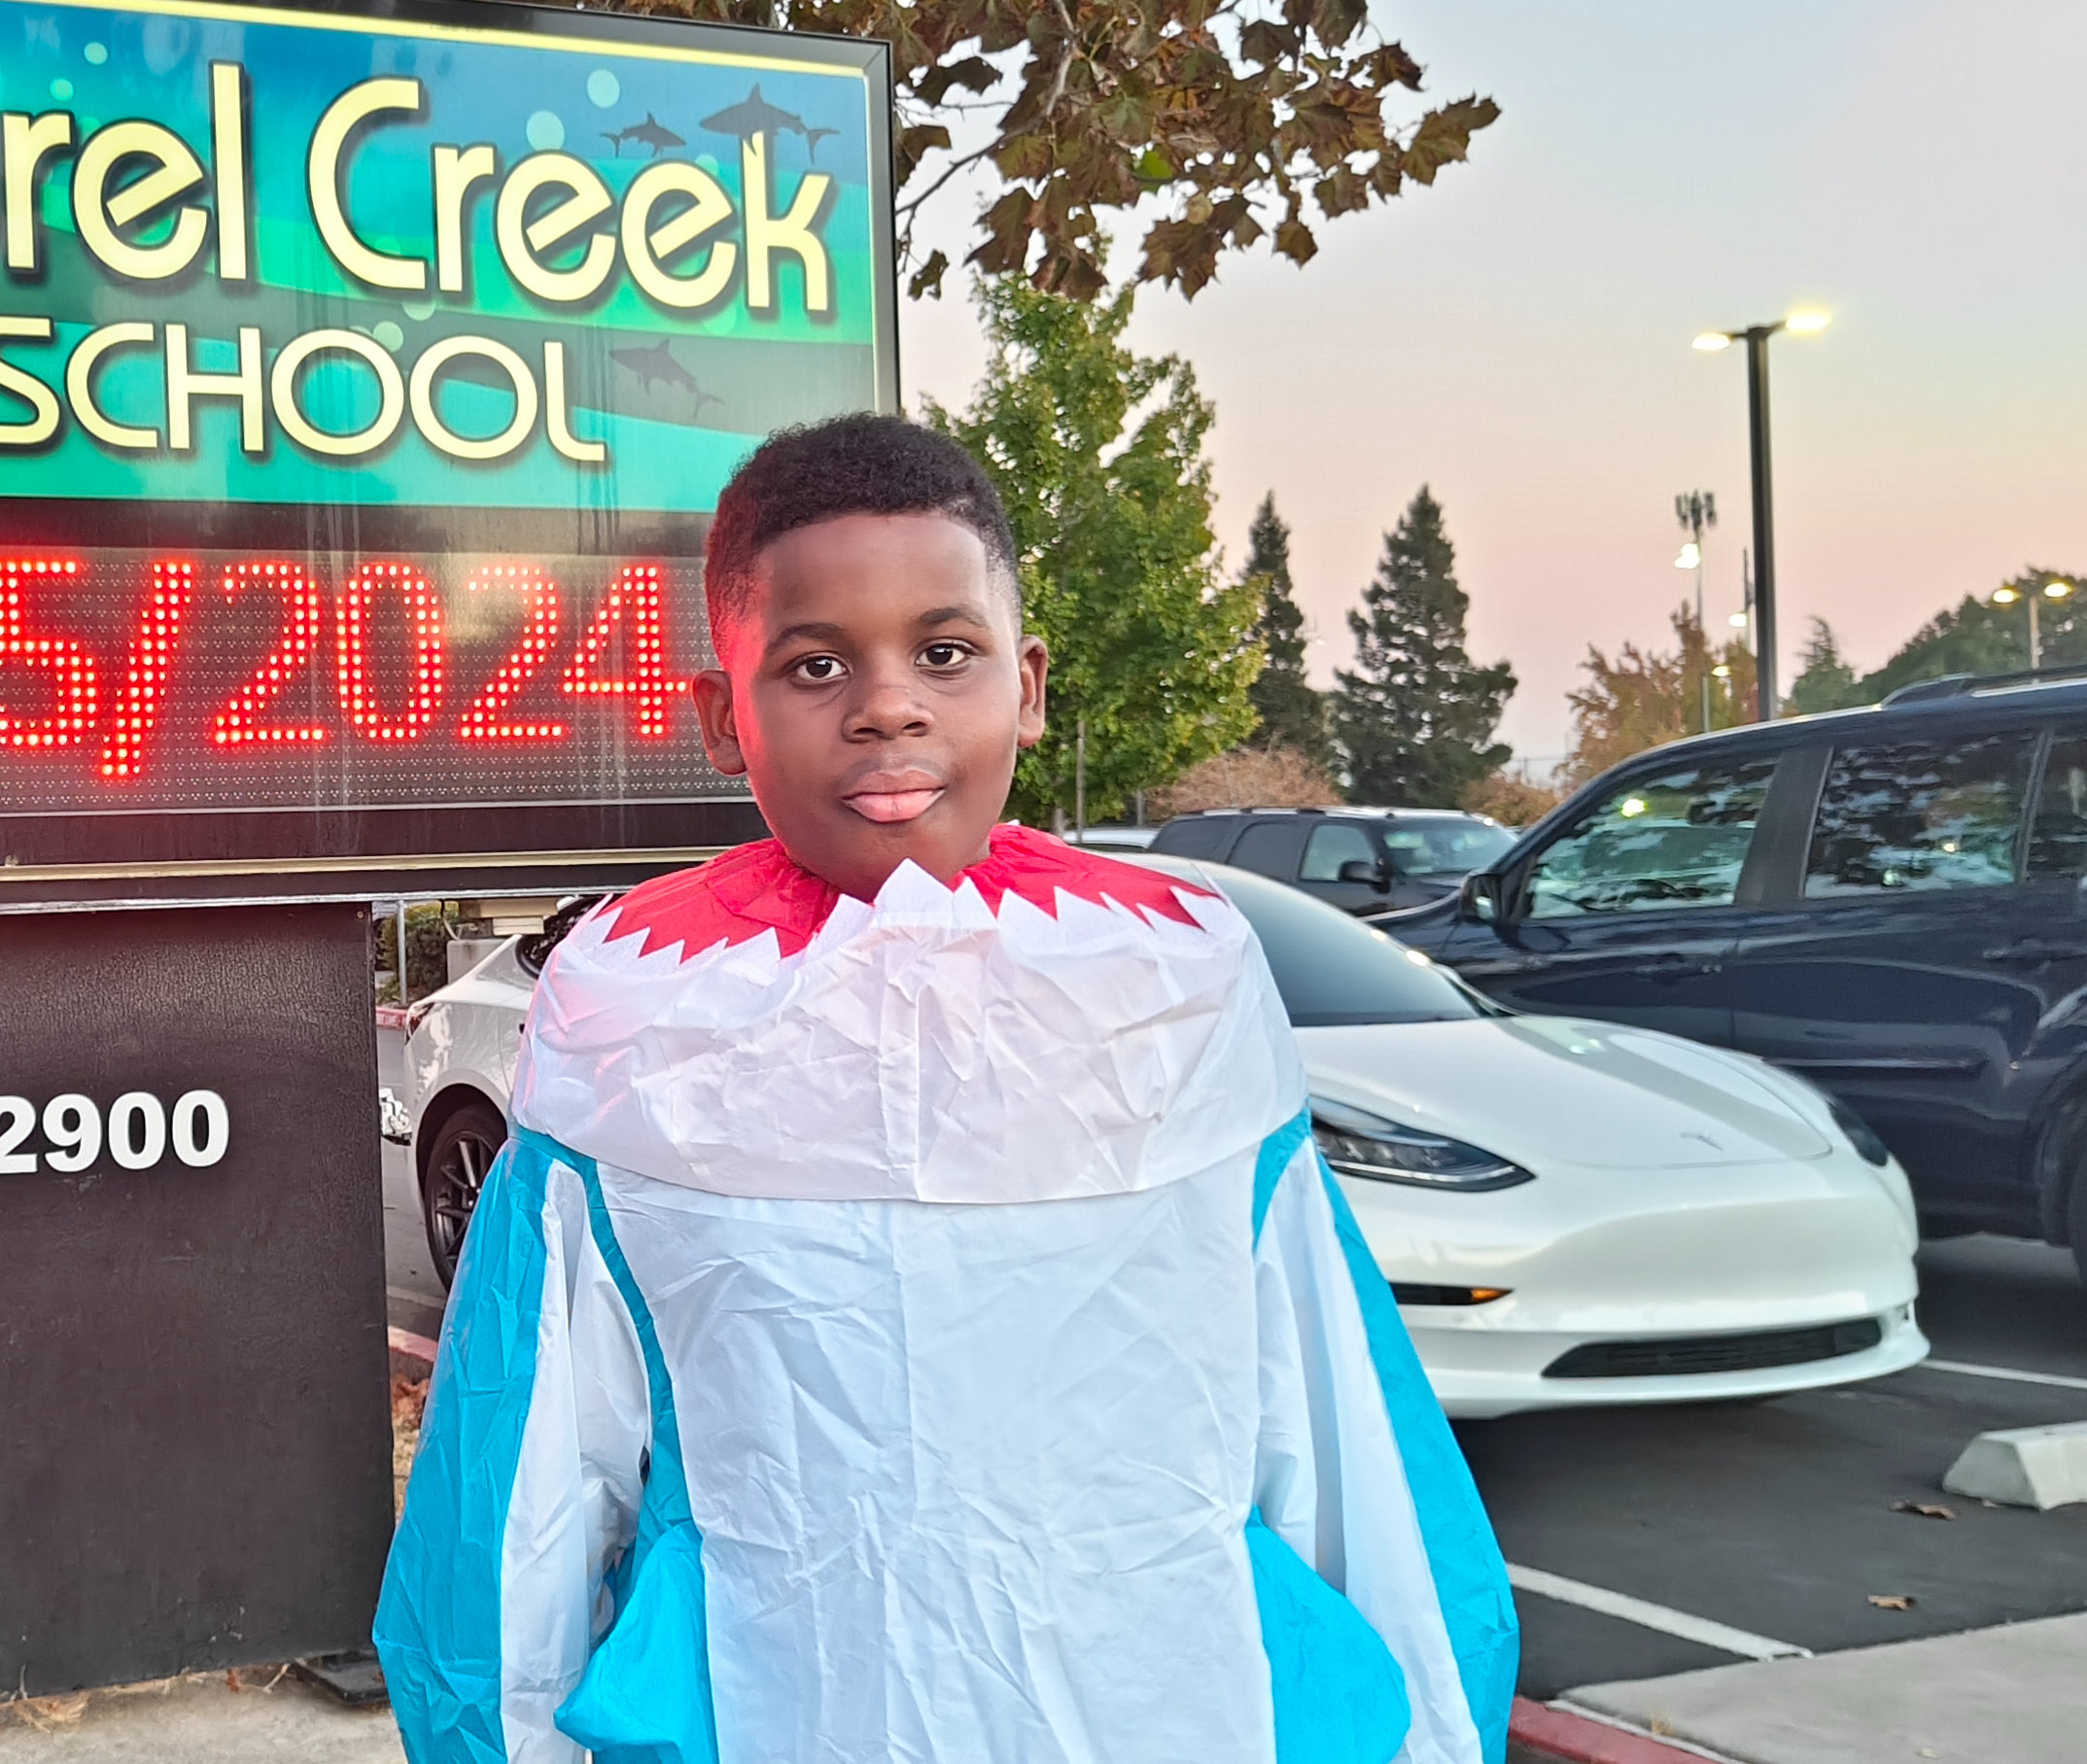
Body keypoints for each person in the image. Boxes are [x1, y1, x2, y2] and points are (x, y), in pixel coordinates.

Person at [372, 413, 1518, 1763]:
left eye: (943, 650)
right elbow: (517, 1507)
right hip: (784, 1713)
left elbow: (1342, 1443)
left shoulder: (1176, 987)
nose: (887, 702)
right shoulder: (631, 1015)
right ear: (718, 717)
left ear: (1025, 683)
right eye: (812, 663)